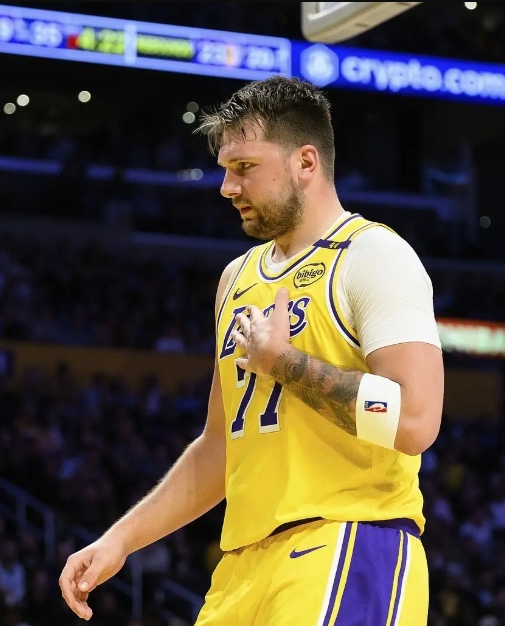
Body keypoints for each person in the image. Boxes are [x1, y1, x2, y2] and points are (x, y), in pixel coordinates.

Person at [58, 75, 444, 624]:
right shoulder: (235, 279)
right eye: (225, 168)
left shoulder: (374, 255)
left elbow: (416, 421)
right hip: (242, 568)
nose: (227, 187)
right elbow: (220, 447)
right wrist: (120, 539)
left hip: (348, 541)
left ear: (305, 162)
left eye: (244, 167)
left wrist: (286, 364)